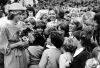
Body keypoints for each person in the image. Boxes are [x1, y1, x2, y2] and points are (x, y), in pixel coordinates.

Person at [0, 3, 28, 68]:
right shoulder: (5, 27)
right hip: (11, 55)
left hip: (22, 53)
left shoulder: (22, 24)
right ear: (13, 14)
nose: (21, 16)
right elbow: (2, 46)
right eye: (19, 14)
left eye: (22, 14)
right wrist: (18, 44)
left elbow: (26, 39)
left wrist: (26, 42)